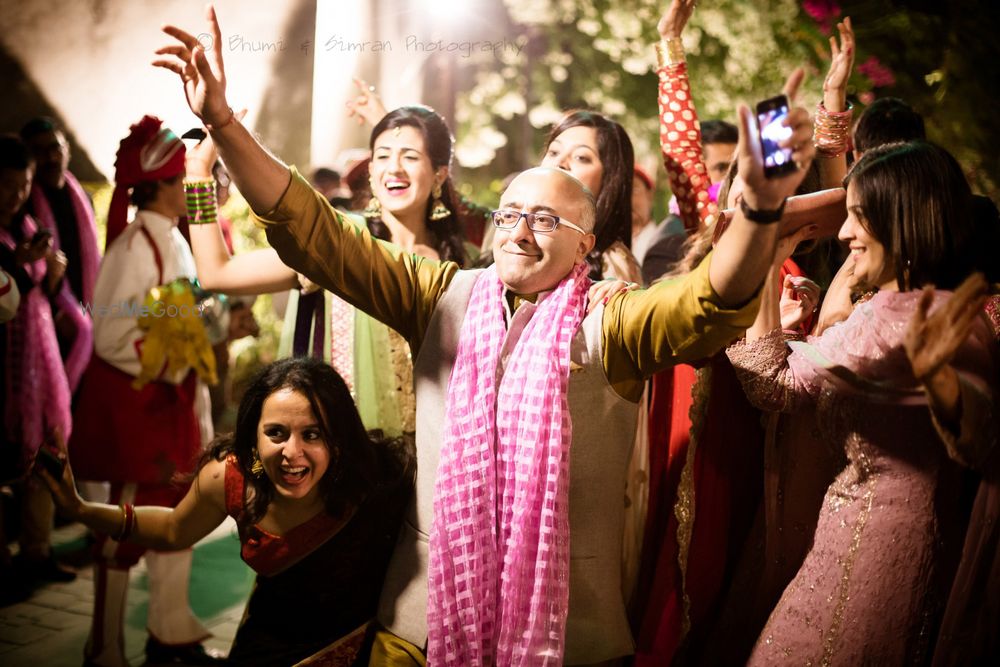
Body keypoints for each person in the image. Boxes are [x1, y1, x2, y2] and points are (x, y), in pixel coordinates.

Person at [154, 6, 816, 663]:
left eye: (548, 221)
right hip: (422, 624)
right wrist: (224, 122)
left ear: (586, 245)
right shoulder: (442, 293)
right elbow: (315, 232)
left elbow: (706, 302)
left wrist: (759, 208)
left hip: (563, 635)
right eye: (511, 215)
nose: (523, 231)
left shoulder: (611, 322)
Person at [726, 140, 993, 665]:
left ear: (903, 218)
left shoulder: (931, 317)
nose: (845, 233)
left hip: (884, 548)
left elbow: (771, 384)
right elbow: (776, 381)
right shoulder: (887, 311)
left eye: (857, 217)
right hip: (848, 533)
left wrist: (945, 388)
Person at [41, 357, 414, 666]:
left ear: (338, 437)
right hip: (268, 645)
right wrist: (79, 508)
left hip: (361, 650)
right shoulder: (231, 477)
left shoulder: (378, 482)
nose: (292, 452)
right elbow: (173, 529)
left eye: (312, 434)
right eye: (277, 433)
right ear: (254, 434)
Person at [184, 105, 469, 438]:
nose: (394, 169)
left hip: (439, 457)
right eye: (382, 156)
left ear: (438, 174)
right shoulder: (335, 246)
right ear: (371, 171)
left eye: (410, 157)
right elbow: (218, 273)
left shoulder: (461, 267)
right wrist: (197, 176)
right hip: (344, 458)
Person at [67, 116, 219, 667]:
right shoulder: (135, 247)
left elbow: (186, 311)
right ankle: (103, 649)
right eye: (185, 180)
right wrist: (176, 354)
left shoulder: (173, 241)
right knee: (125, 531)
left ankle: (169, 632)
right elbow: (110, 333)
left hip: (170, 406)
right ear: (159, 184)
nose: (193, 190)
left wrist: (209, 328)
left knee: (176, 518)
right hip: (146, 411)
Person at [0, 134, 73, 603]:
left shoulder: (28, 224)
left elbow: (42, 294)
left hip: (38, 360)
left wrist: (54, 269)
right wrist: (19, 262)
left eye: (23, 184)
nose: (17, 194)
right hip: (6, 364)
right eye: (7, 184)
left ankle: (37, 551)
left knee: (47, 449)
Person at [19, 117, 97, 394]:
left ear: (67, 149)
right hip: (42, 319)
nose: (51, 157)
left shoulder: (83, 198)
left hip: (84, 314)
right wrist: (56, 312)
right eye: (40, 151)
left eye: (56, 147)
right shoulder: (22, 203)